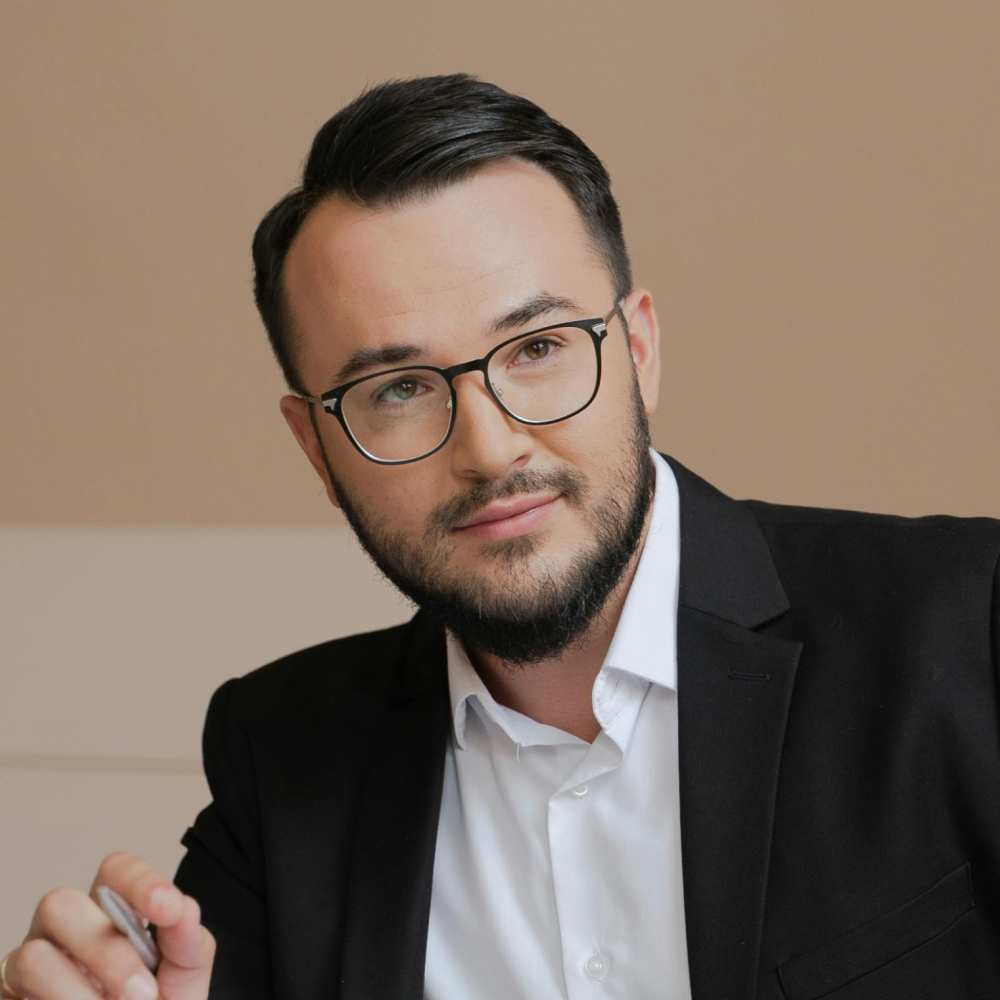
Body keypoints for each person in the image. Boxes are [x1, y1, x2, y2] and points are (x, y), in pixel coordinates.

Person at [3, 72, 999, 1000]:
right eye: (397, 389)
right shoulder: (280, 758)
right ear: (316, 447)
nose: (488, 448)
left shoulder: (967, 624)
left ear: (638, 350)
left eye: (537, 348)